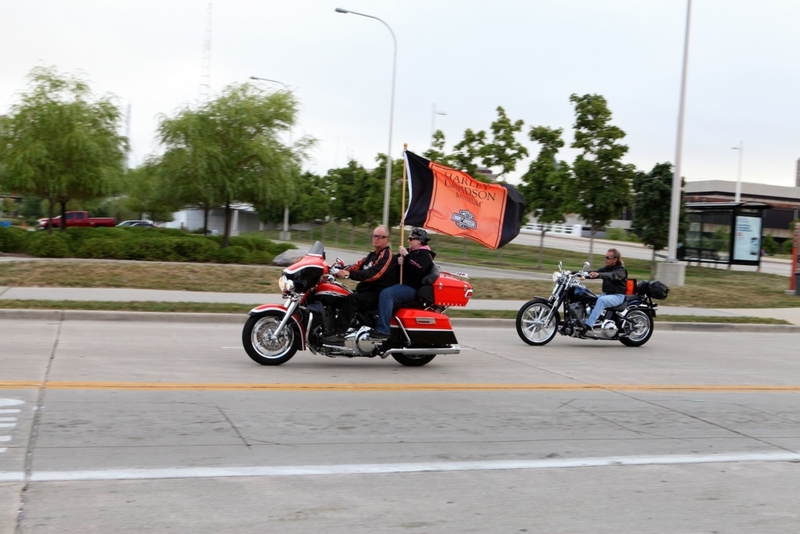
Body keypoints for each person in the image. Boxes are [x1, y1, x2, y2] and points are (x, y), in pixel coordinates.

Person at [322, 225, 398, 344]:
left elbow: (374, 274)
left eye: (379, 236)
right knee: (339, 294)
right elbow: (355, 266)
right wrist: (333, 269)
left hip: (376, 294)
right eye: (374, 236)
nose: (376, 238)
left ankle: (339, 334)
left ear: (387, 239)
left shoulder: (387, 255)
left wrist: (349, 274)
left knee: (352, 300)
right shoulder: (371, 256)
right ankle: (331, 328)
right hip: (366, 291)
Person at [373, 228, 436, 340]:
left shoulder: (425, 255)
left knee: (387, 294)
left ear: (419, 241)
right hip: (403, 285)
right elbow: (394, 260)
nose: (408, 241)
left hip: (412, 288)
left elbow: (419, 268)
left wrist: (407, 257)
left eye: (411, 239)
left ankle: (383, 330)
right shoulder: (413, 252)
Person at [584, 248, 628, 331]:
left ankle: (589, 325)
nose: (606, 259)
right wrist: (574, 273)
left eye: (608, 258)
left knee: (601, 300)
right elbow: (593, 273)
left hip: (618, 296)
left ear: (615, 259)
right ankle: (585, 320)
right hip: (607, 294)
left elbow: (612, 275)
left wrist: (598, 274)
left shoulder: (621, 270)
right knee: (588, 297)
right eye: (605, 257)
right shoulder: (607, 268)